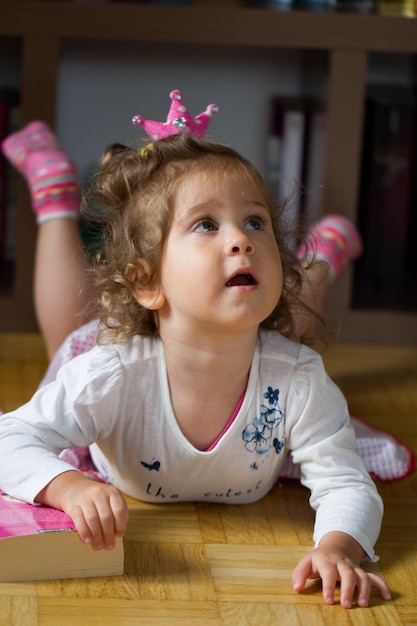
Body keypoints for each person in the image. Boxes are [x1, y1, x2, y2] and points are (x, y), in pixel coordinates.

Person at [0, 94, 390, 609]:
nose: (241, 241)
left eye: (256, 222)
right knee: (72, 334)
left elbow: (347, 483)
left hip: (270, 345)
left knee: (288, 321)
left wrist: (339, 547)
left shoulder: (298, 379)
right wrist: (67, 485)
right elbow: (10, 436)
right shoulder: (111, 373)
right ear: (147, 282)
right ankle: (53, 194)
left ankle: (323, 250)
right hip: (115, 346)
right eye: (206, 224)